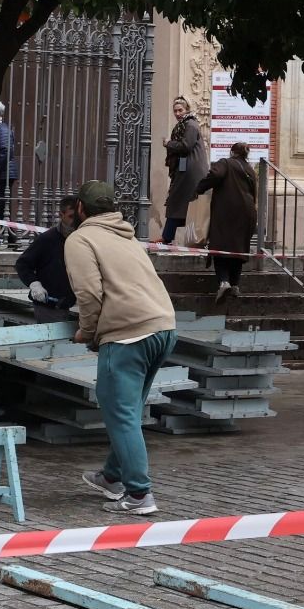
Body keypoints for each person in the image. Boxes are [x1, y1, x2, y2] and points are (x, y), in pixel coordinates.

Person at [65, 180, 178, 516]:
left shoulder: (81, 239)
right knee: (127, 411)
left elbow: (88, 293)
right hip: (163, 326)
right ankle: (112, 477)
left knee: (121, 413)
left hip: (128, 333)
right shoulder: (126, 236)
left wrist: (86, 332)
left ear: (81, 209)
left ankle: (140, 495)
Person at [193, 141, 258, 303]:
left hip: (227, 212)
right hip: (247, 213)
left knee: (220, 246)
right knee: (238, 249)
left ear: (232, 152)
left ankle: (224, 282)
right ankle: (235, 285)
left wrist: (199, 188)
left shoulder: (225, 163)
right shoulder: (250, 170)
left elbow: (215, 175)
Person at [15, 195, 81, 324]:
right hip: (48, 305)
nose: (75, 222)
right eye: (71, 217)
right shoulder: (48, 239)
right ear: (61, 215)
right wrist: (34, 284)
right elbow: (22, 264)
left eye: (77, 217)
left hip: (70, 303)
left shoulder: (81, 238)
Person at [161, 96, 210, 244]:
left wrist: (169, 143)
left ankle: (168, 236)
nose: (177, 113)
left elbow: (186, 146)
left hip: (190, 170)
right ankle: (170, 236)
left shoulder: (190, 125)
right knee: (181, 203)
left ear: (187, 109)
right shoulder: (186, 124)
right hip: (187, 169)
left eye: (180, 110)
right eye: (175, 111)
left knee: (178, 201)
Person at [0, 100, 21, 247]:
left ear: (0, 115)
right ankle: (8, 238)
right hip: (5, 172)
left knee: (2, 205)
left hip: (5, 173)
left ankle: (8, 238)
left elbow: (6, 151)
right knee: (3, 205)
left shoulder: (2, 129)